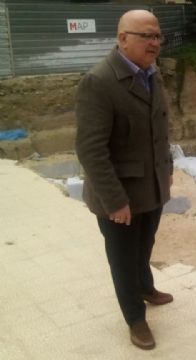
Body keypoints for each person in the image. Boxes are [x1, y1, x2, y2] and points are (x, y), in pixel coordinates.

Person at [75, 9, 173, 350]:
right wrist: (115, 201)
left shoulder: (151, 73)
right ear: (123, 39)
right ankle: (135, 318)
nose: (154, 42)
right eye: (146, 36)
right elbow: (91, 150)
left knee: (144, 247)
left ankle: (145, 287)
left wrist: (167, 174)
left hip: (152, 187)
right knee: (123, 259)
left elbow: (160, 130)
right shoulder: (99, 82)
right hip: (120, 197)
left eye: (157, 36)